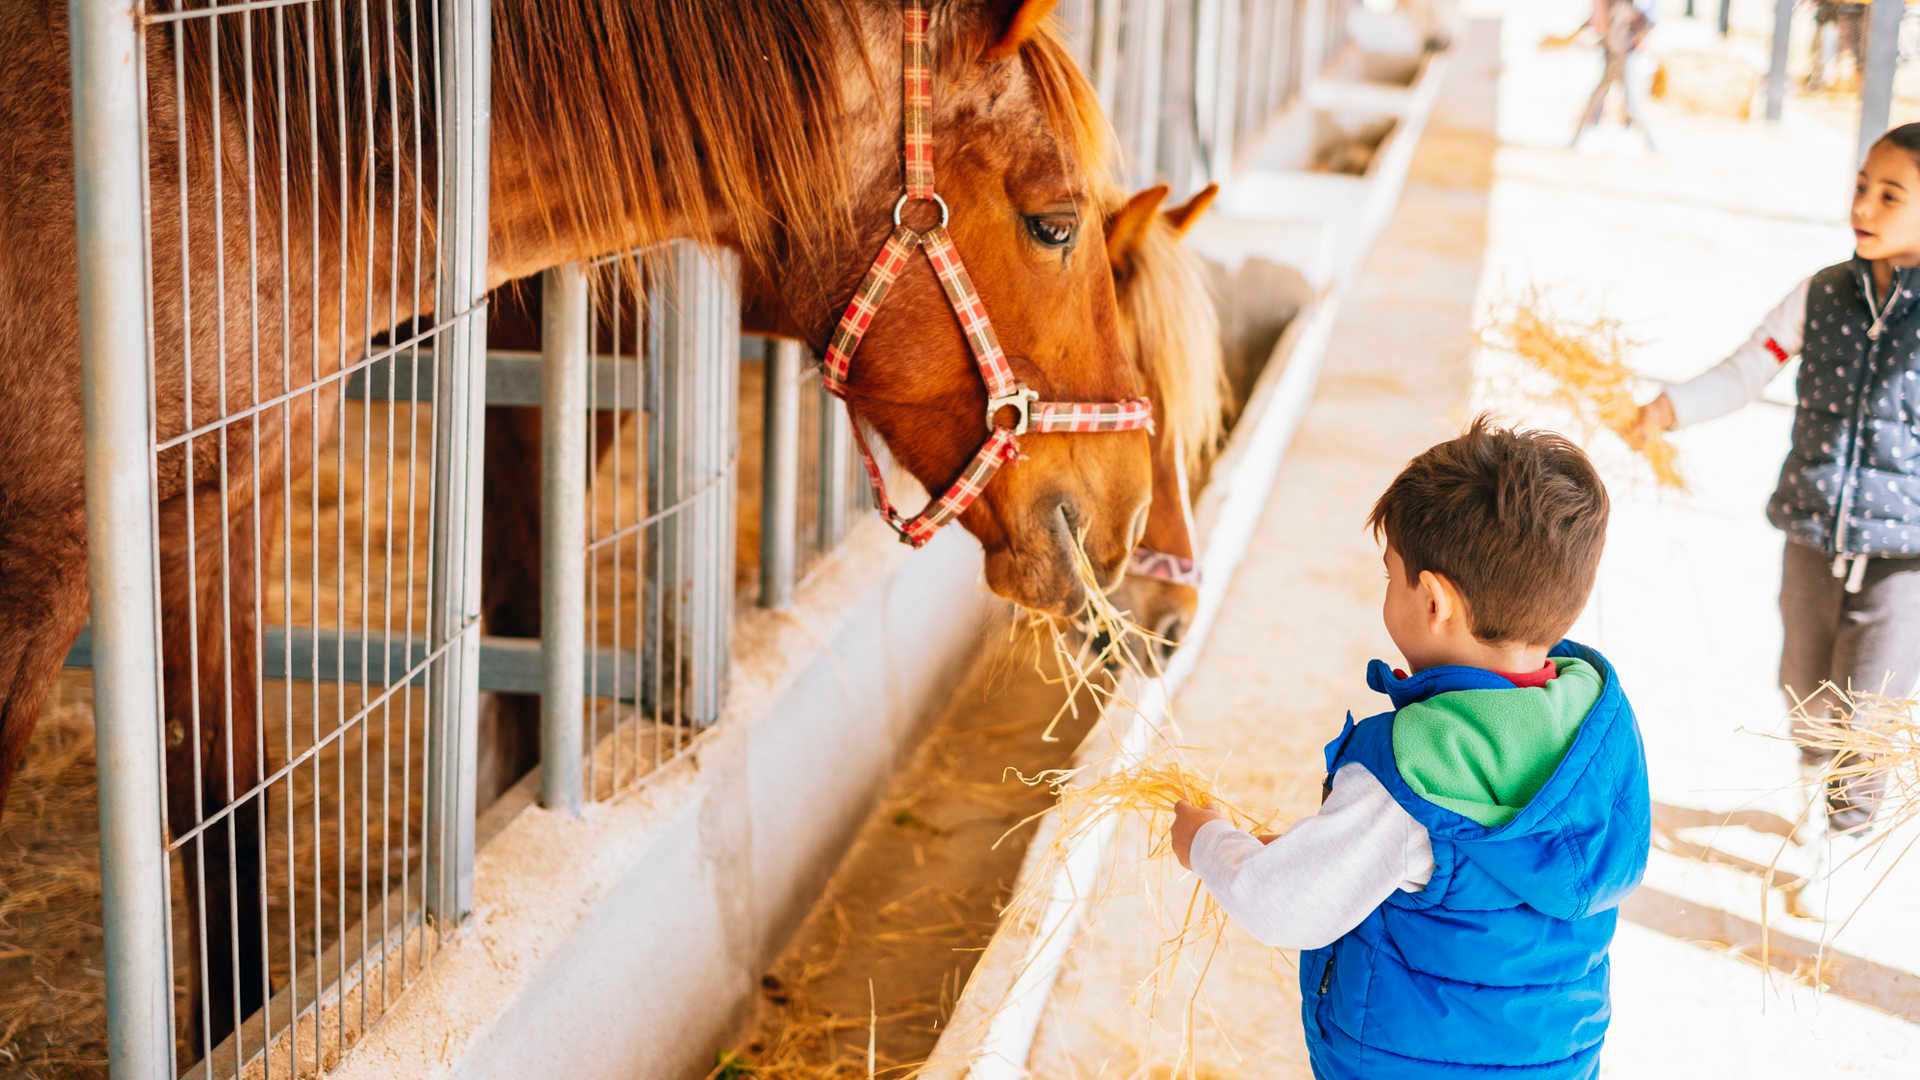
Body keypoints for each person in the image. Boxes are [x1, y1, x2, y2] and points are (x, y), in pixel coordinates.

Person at [1169, 419, 1649, 1079]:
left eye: (1390, 575)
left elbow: (1278, 903)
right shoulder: (1594, 723)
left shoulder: (1414, 772)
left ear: (1433, 602)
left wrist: (1206, 842)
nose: (1386, 591)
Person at [1633, 124, 1920, 881]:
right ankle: (1810, 776)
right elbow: (1744, 369)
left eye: (1890, 194)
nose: (1863, 204)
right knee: (1803, 678)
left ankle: (1843, 840)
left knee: (1872, 700)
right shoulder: (1820, 294)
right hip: (1812, 527)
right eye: (1862, 185)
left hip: (1905, 553)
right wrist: (1670, 408)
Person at [1572, 0, 1658, 151]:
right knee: (1598, 98)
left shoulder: (1631, 7)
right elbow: (1599, 22)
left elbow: (1646, 23)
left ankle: (1652, 144)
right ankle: (1575, 139)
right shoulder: (1614, 6)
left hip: (1623, 58)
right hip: (1612, 56)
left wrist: (1638, 38)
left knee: (1630, 103)